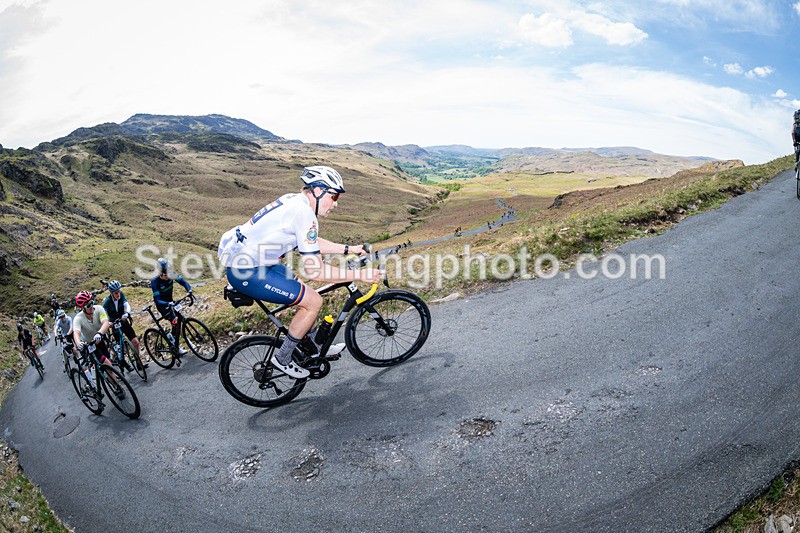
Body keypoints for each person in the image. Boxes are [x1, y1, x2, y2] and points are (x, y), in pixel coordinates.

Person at [218, 165, 381, 379]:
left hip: (256, 262)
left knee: (304, 294)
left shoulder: (294, 201)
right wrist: (360, 275)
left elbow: (309, 240)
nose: (336, 204)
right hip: (247, 271)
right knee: (313, 301)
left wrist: (348, 249)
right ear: (317, 190)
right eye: (333, 197)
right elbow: (315, 270)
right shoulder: (304, 213)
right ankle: (283, 358)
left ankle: (311, 344)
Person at [150, 258, 192, 356]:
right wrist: (167, 304)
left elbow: (183, 282)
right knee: (176, 320)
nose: (168, 277)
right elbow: (157, 300)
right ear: (160, 274)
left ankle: (172, 339)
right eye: (165, 275)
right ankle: (176, 345)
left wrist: (189, 290)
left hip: (171, 302)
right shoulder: (155, 282)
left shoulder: (170, 274)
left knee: (178, 321)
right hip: (163, 306)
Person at [102, 280, 145, 370]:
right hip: (114, 324)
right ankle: (123, 362)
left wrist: (127, 313)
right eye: (116, 293)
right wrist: (107, 322)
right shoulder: (107, 301)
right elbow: (102, 313)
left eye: (119, 291)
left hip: (123, 322)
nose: (118, 294)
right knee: (120, 348)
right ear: (111, 293)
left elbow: (127, 305)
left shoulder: (121, 295)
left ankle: (138, 362)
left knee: (136, 342)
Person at [71, 290, 113, 367]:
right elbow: (76, 333)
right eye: (87, 305)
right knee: (106, 363)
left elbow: (105, 322)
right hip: (89, 344)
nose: (91, 306)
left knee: (109, 362)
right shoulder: (78, 318)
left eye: (91, 302)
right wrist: (78, 343)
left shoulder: (99, 309)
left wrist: (99, 333)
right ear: (83, 308)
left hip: (99, 339)